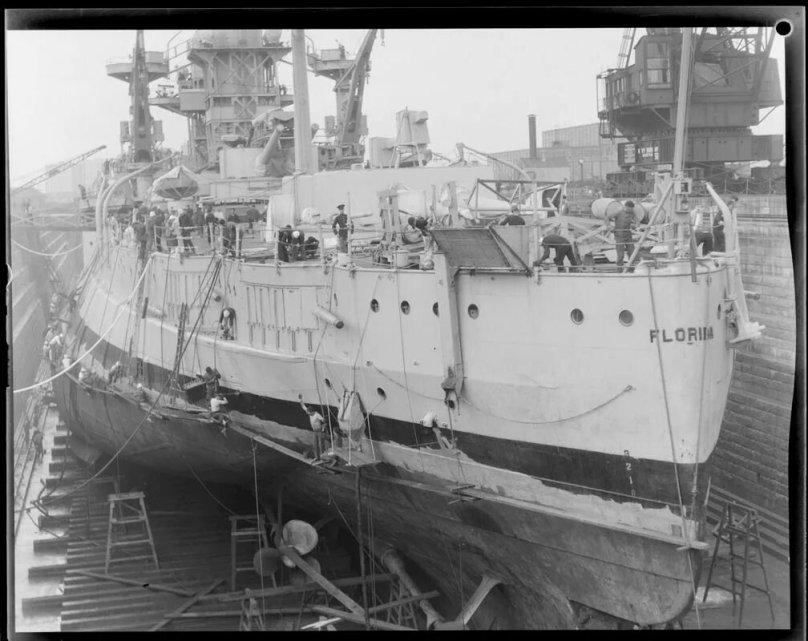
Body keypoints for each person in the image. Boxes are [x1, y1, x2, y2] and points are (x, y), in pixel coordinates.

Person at [299, 395, 326, 460]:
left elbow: (323, 420)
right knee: (315, 445)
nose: (308, 414)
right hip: (314, 431)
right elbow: (303, 406)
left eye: (309, 413)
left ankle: (323, 456)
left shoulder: (317, 415)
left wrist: (323, 426)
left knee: (321, 444)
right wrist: (300, 399)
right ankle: (317, 457)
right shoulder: (309, 412)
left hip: (319, 430)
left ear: (312, 412)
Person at [613, 200, 636, 268]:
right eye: (629, 208)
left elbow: (637, 221)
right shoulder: (618, 212)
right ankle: (619, 269)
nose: (630, 210)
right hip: (619, 236)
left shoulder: (632, 213)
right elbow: (607, 217)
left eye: (631, 209)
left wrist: (635, 225)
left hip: (628, 235)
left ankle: (631, 268)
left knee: (632, 252)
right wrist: (608, 225)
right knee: (620, 254)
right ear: (625, 207)